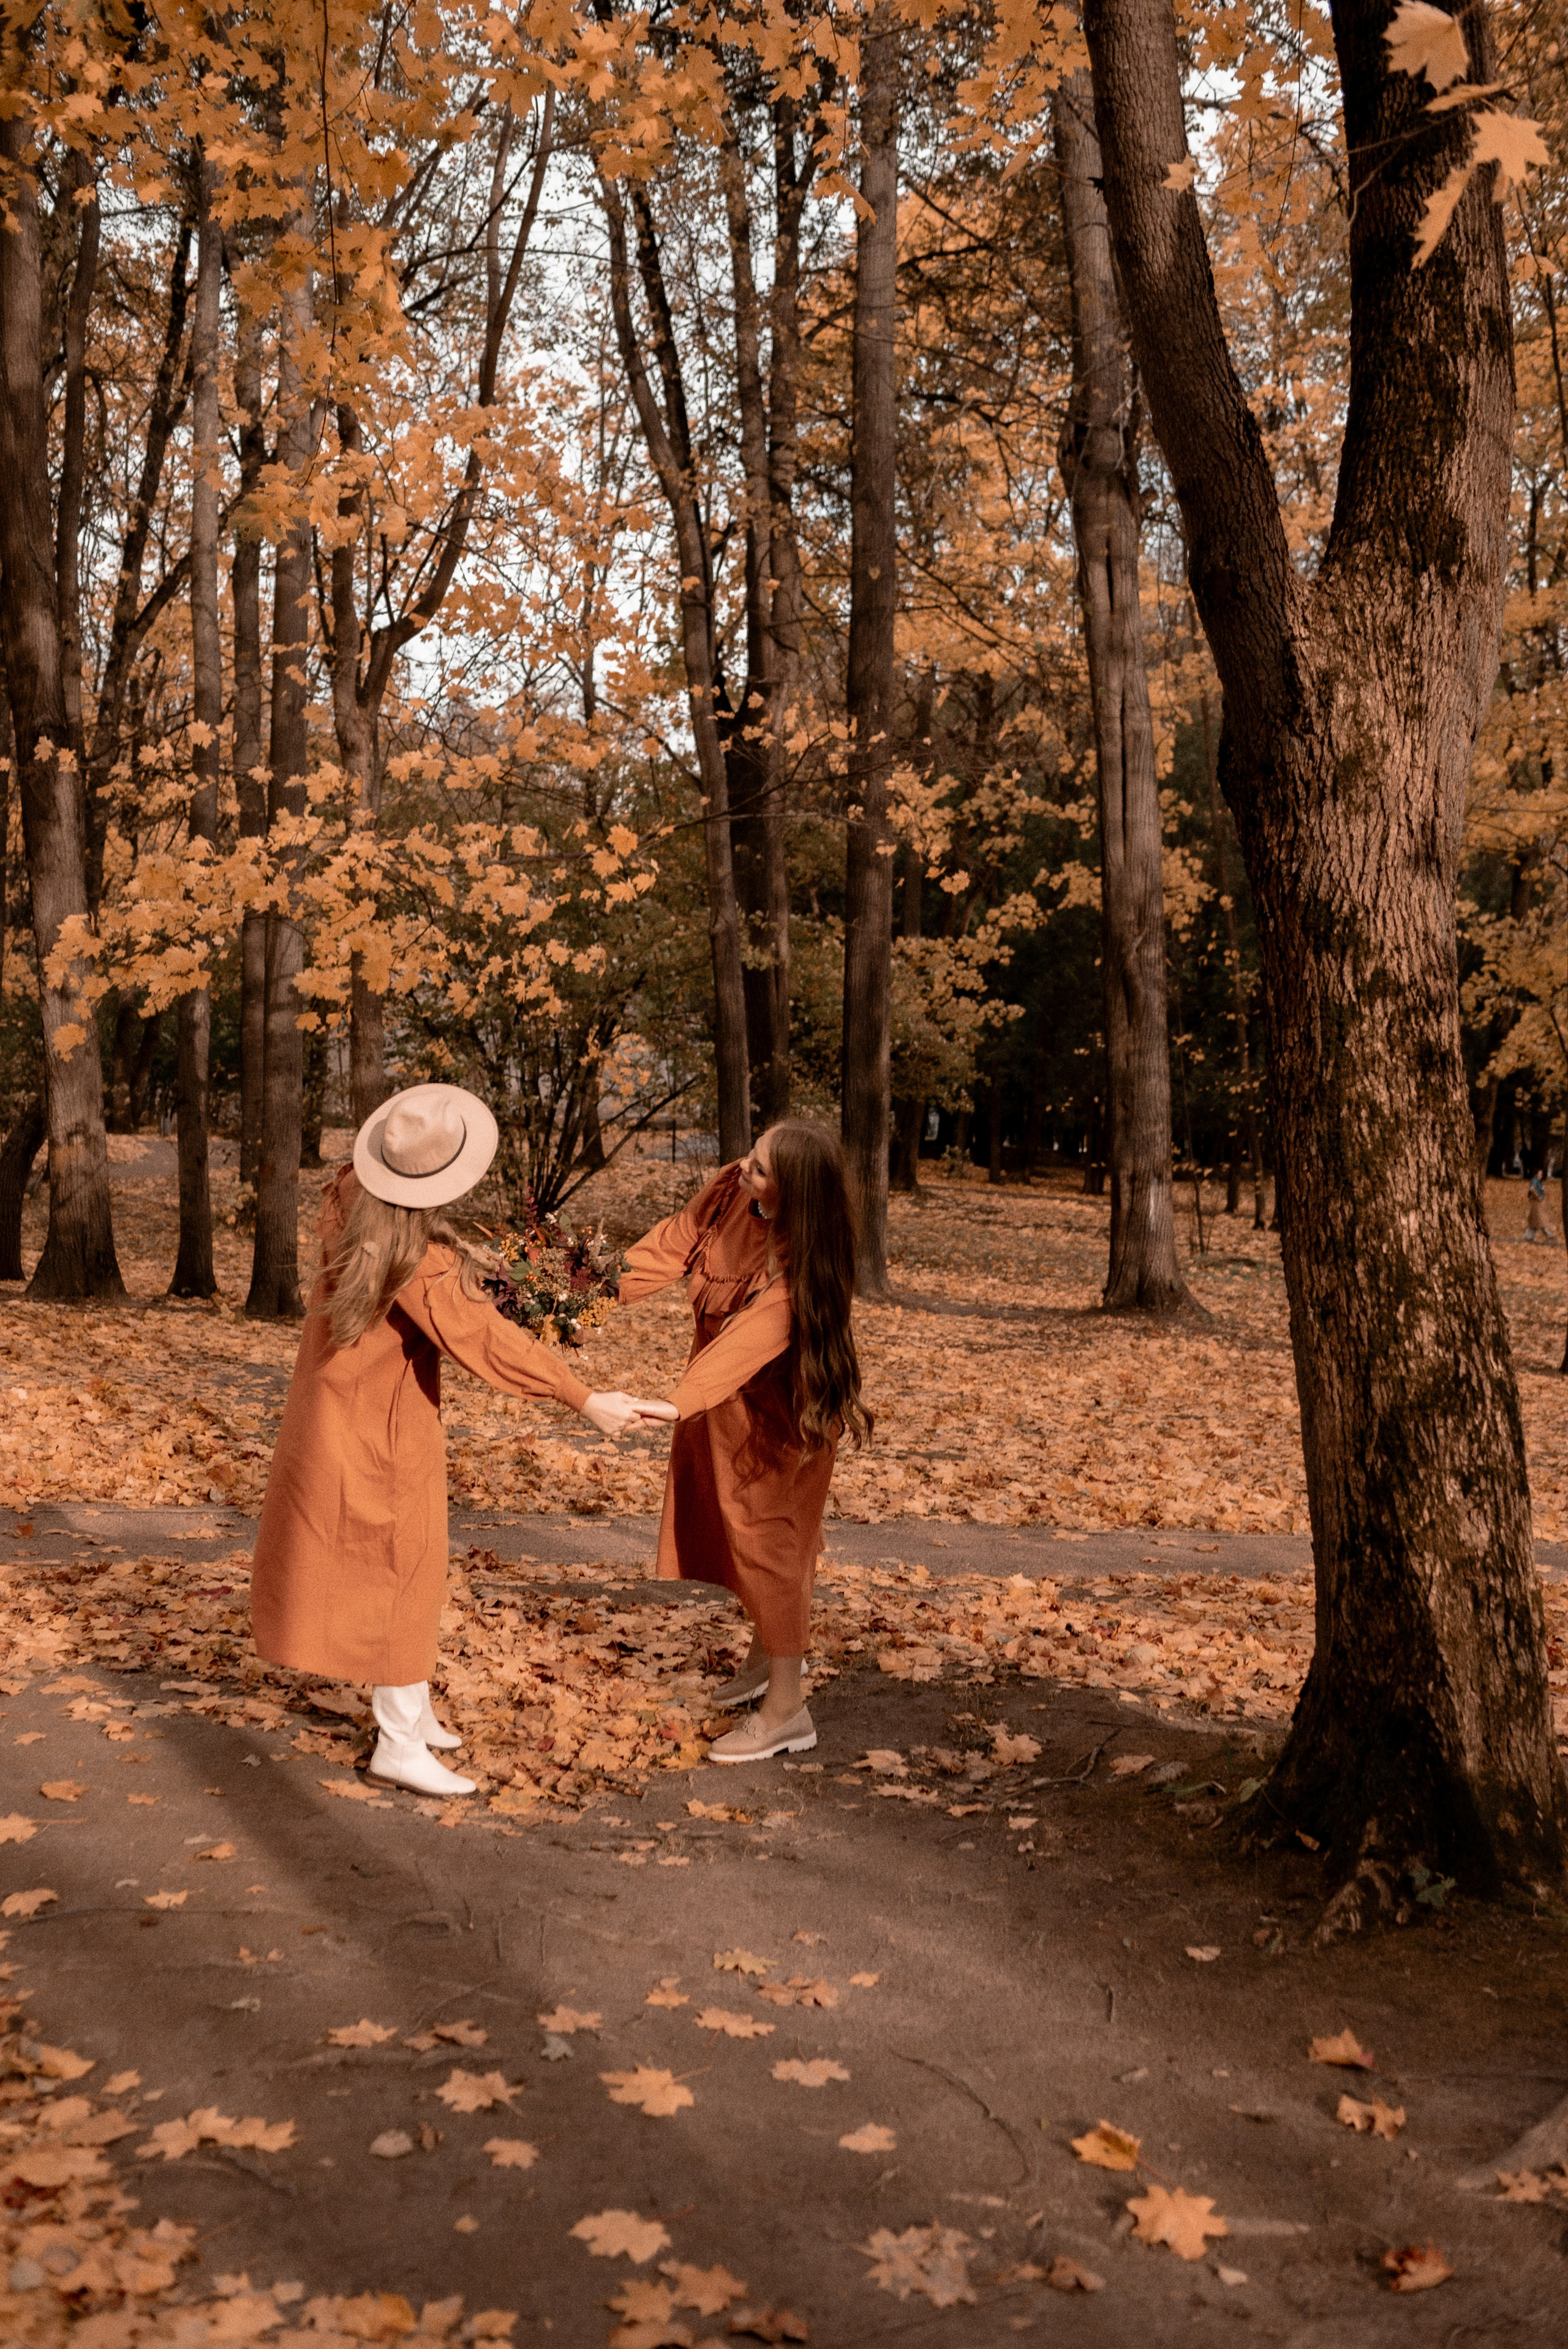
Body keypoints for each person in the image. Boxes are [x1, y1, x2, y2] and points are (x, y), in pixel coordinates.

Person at [250, 1084, 673, 1795]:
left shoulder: (349, 1196)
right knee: (400, 1564)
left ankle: (408, 1710)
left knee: (410, 1558)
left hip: (346, 1404)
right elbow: (484, 1338)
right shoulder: (414, 1255)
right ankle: (396, 1739)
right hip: (381, 1421)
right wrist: (583, 1397)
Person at [619, 1122, 873, 1762]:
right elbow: (675, 1240)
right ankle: (764, 1664)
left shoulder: (800, 1265)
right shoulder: (734, 1187)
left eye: (760, 1169)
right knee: (755, 1538)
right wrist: (592, 1289)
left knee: (771, 1547)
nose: (741, 1170)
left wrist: (674, 1402)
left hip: (780, 1420)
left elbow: (745, 1344)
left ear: (793, 1194)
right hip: (727, 1403)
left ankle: (787, 1710)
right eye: (750, 1153)